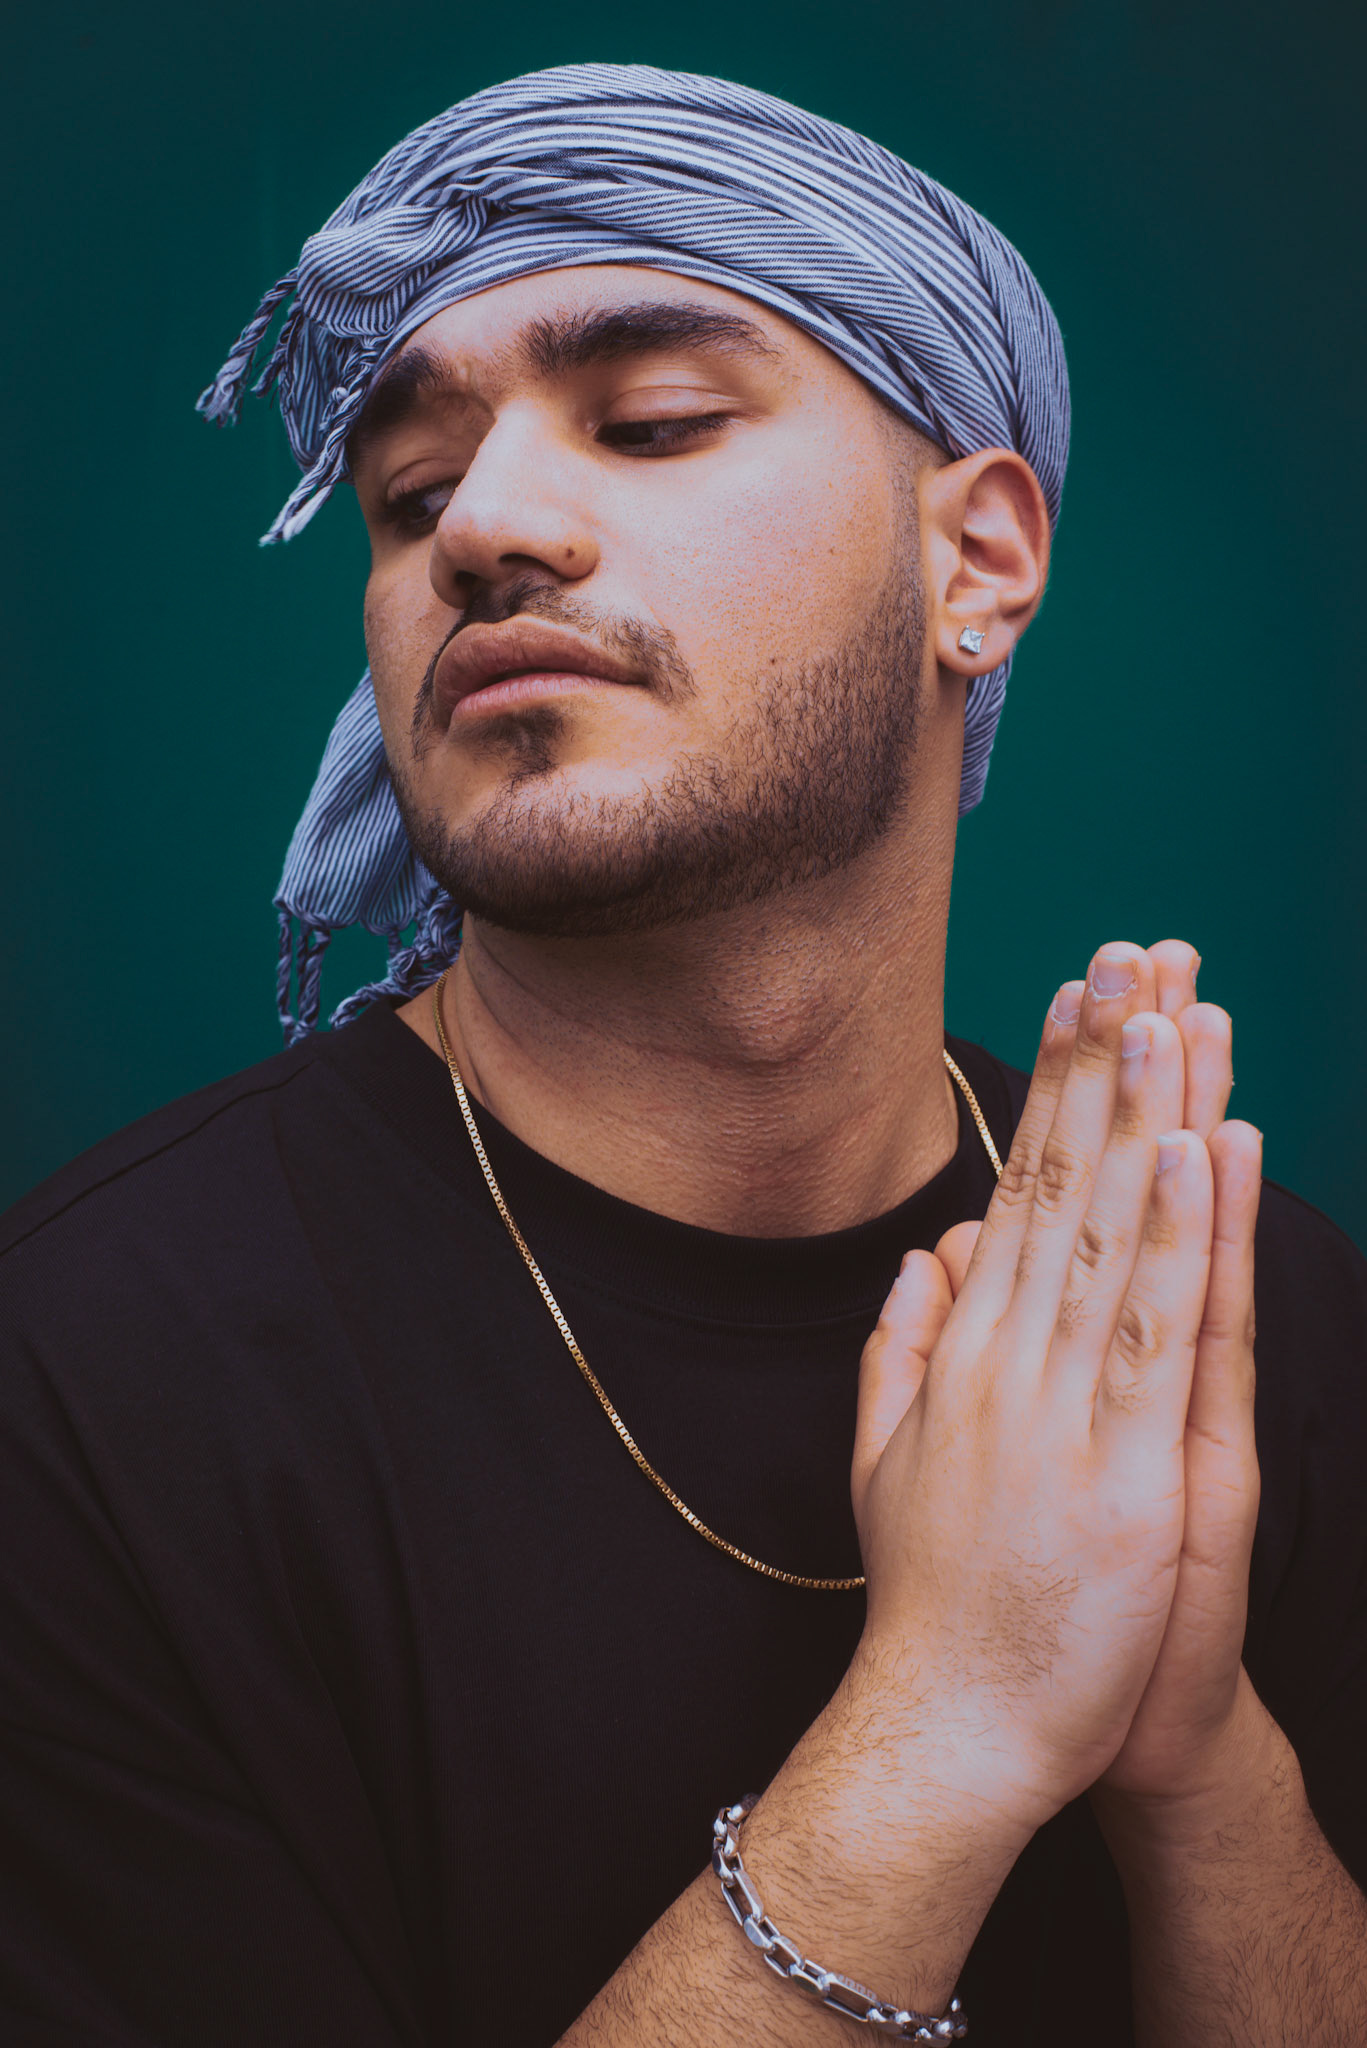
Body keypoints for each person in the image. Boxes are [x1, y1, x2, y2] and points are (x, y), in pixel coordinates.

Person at [1, 62, 1364, 2048]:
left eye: (648, 422)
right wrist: (951, 1721)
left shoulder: (1235, 1315)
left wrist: (1200, 1758)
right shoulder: (90, 1385)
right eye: (408, 494)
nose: (482, 527)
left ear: (979, 562)